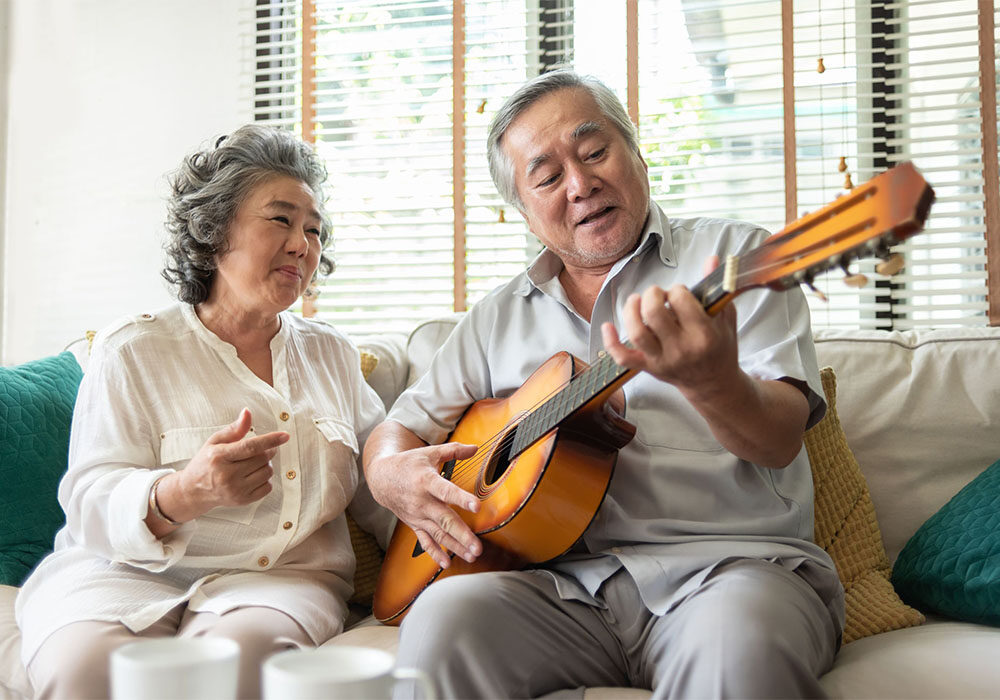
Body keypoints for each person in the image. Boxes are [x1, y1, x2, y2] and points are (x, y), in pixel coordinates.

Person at [363, 71, 845, 698]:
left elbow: (781, 438)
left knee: (740, 647)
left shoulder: (737, 259)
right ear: (526, 212)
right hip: (558, 592)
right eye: (546, 176)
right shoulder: (494, 318)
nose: (580, 183)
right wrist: (388, 475)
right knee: (442, 622)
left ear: (636, 153)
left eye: (595, 153)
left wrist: (715, 381)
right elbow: (399, 426)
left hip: (732, 572)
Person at [15, 124, 392, 699]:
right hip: (123, 574)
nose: (303, 244)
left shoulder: (332, 355)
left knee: (236, 666)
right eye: (281, 220)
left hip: (276, 581)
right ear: (214, 231)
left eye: (314, 230)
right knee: (85, 672)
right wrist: (183, 493)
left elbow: (381, 486)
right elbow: (89, 497)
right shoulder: (133, 348)